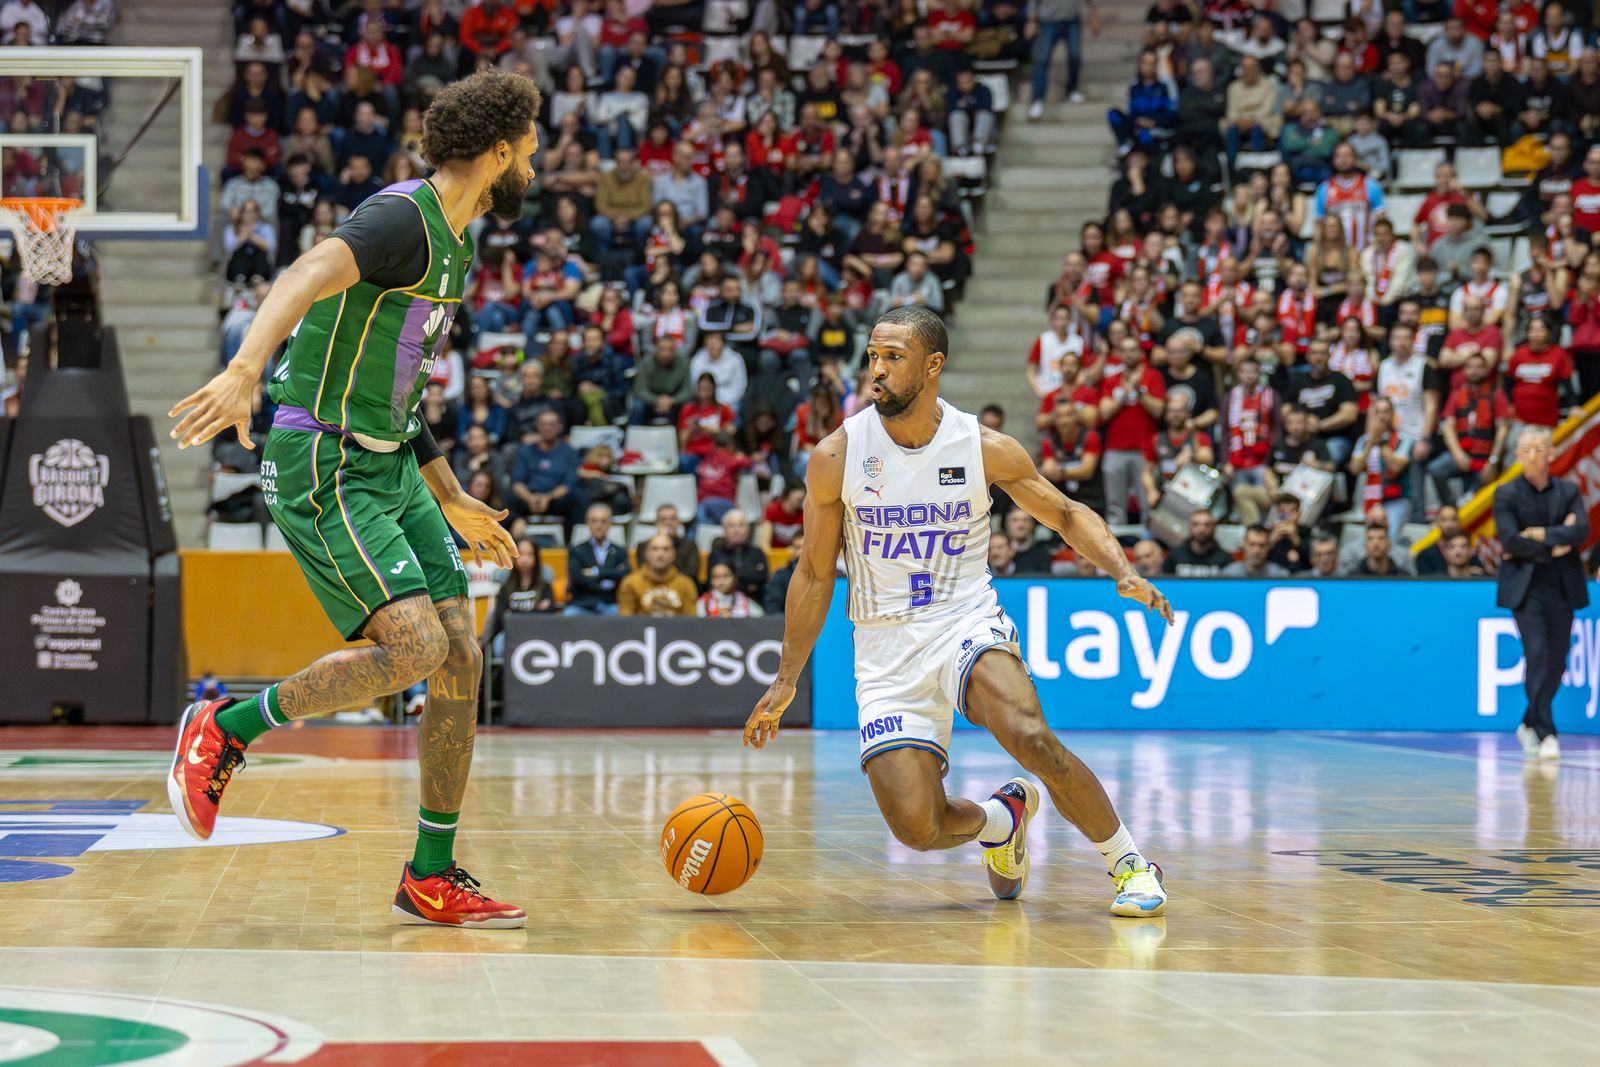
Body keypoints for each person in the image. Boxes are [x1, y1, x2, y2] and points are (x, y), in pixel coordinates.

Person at [166, 71, 541, 928]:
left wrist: (449, 494)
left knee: (458, 658)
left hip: (391, 461)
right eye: (527, 149)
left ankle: (431, 873)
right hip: (323, 459)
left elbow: (402, 392)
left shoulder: (458, 244)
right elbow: (303, 272)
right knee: (411, 648)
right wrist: (243, 369)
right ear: (496, 154)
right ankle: (228, 724)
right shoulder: (400, 217)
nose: (533, 164)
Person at [743, 306, 1171, 917]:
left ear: (932, 365)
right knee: (917, 828)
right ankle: (1003, 820)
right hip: (885, 645)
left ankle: (1130, 864)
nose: (878, 371)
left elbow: (1069, 514)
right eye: (873, 357)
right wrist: (788, 677)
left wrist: (1122, 571)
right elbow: (813, 573)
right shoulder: (837, 455)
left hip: (963, 619)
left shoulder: (981, 447)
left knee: (1030, 736)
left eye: (893, 358)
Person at [1495, 427, 1589, 760]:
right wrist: (1554, 544)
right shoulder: (1506, 494)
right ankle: (1547, 730)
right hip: (1527, 589)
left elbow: (1581, 531)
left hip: (1562, 586)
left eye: (1540, 449)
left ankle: (1529, 721)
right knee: (1537, 653)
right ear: (1518, 455)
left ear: (1551, 454)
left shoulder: (1566, 490)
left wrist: (1538, 534)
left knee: (1557, 660)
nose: (1533, 455)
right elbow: (1510, 540)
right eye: (1527, 449)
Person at [1027, 0, 1099, 116]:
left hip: (1072, 20)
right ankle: (1037, 100)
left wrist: (1094, 15)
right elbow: (1034, 2)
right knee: (1042, 60)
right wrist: (1031, 21)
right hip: (1048, 21)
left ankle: (1072, 90)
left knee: (1075, 56)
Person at [564, 503, 629, 615]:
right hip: (583, 604)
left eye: (603, 521)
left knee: (622, 613)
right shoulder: (576, 550)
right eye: (594, 521)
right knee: (570, 613)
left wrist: (596, 572)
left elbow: (626, 573)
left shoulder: (620, 551)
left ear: (610, 523)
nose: (599, 526)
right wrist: (611, 576)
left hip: (611, 604)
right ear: (588, 523)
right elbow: (577, 578)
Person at [618, 533, 699, 616]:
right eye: (655, 549)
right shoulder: (630, 583)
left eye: (666, 549)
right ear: (646, 553)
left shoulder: (686, 584)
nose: (660, 554)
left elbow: (691, 622)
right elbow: (625, 620)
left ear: (673, 554)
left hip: (676, 628)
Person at [707, 508, 769, 599]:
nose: (736, 530)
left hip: (754, 602)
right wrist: (748, 583)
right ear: (724, 530)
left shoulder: (757, 553)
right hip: (722, 603)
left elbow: (762, 578)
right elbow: (713, 582)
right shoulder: (716, 555)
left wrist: (732, 578)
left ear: (748, 530)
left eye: (741, 525)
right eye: (731, 526)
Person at [1162, 508, 1233, 577]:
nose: (1201, 529)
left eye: (1207, 525)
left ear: (1213, 528)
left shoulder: (1224, 558)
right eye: (1196, 524)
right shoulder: (1175, 555)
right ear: (1190, 527)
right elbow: (1164, 582)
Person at [698, 561, 765, 617]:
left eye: (726, 576)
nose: (721, 581)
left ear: (735, 578)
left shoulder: (744, 600)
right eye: (716, 577)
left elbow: (760, 618)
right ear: (711, 581)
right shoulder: (704, 602)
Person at [1221, 525, 1289, 578]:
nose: (1256, 551)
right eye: (1252, 544)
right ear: (1244, 545)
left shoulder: (1280, 576)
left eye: (1262, 545)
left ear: (1268, 547)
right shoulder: (1228, 575)